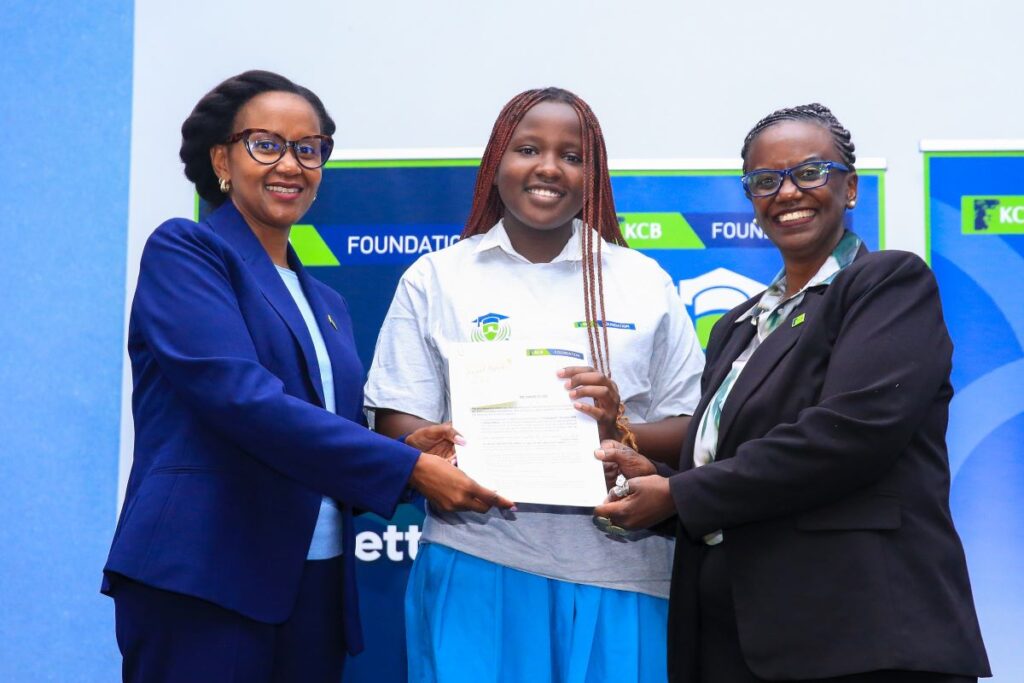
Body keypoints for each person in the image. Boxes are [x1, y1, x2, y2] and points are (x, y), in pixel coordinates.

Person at [101, 70, 510, 683]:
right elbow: (241, 399)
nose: (290, 164)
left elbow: (325, 428)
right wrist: (403, 468)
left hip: (315, 579)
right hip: (205, 575)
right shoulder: (186, 252)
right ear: (222, 158)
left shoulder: (327, 302)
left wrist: (405, 449)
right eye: (266, 144)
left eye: (309, 148)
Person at [595, 104, 991, 683]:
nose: (787, 192)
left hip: (859, 638)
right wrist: (649, 473)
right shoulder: (738, 325)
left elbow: (848, 435)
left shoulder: (888, 284)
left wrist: (679, 492)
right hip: (732, 636)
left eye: (810, 172)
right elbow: (728, 460)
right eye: (765, 180)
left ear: (850, 187)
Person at [364, 87, 704, 682]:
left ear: (592, 175)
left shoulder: (641, 281)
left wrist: (614, 427)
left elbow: (692, 430)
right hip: (478, 560)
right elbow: (397, 419)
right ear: (497, 165)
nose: (549, 167)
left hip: (621, 571)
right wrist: (437, 444)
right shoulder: (438, 276)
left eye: (571, 156)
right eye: (527, 149)